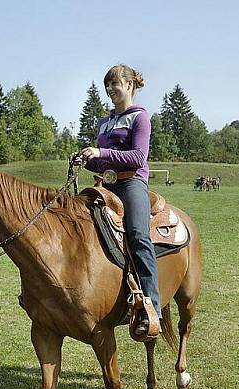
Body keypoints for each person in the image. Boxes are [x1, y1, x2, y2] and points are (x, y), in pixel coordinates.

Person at [79, 64, 159, 336]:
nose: (111, 90)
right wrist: (87, 161)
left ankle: (153, 307)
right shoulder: (105, 121)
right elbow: (102, 163)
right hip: (106, 184)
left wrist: (100, 151)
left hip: (131, 183)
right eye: (107, 86)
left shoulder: (141, 118)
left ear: (129, 85)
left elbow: (138, 158)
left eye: (115, 84)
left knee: (138, 236)